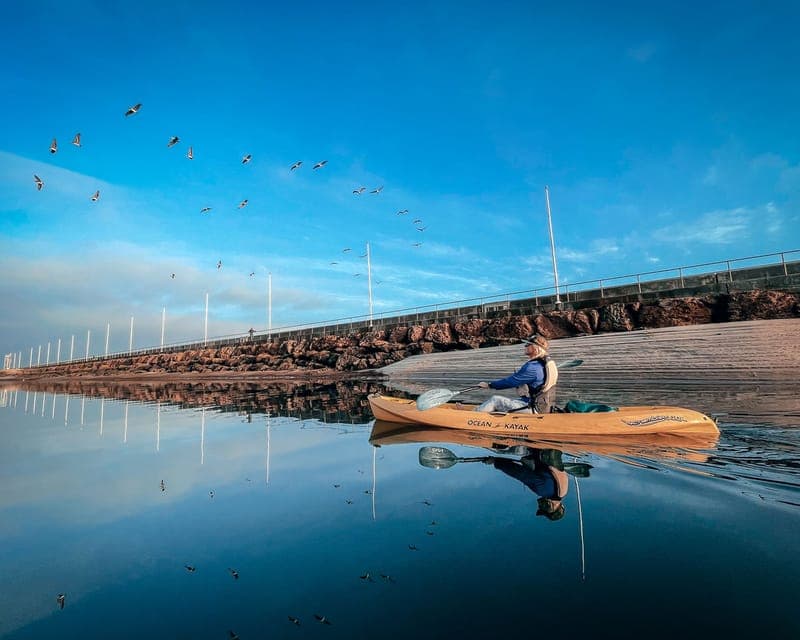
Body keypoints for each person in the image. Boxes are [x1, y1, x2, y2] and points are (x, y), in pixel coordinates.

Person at [475, 334, 558, 414]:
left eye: (528, 344)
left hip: (535, 408)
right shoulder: (546, 363)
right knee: (513, 400)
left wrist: (489, 385)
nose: (525, 346)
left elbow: (511, 382)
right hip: (544, 406)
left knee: (495, 400)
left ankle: (471, 418)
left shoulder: (532, 367)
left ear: (536, 348)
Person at [485, 447, 568, 521]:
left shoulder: (562, 492)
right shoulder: (543, 491)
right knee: (500, 449)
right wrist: (496, 462)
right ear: (552, 508)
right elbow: (519, 473)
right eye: (544, 510)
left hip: (551, 450)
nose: (540, 507)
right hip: (540, 449)